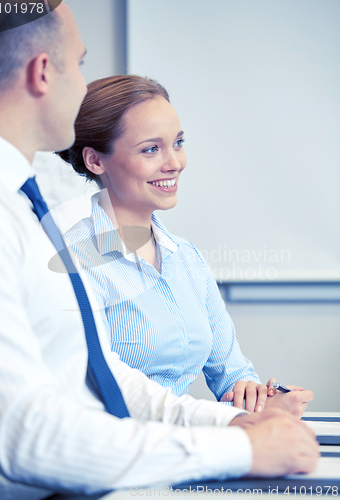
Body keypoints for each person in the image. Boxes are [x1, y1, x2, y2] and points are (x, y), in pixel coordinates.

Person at [0, 2, 319, 499]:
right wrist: (241, 447)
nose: (174, 162)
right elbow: (28, 431)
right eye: (79, 64)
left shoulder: (20, 210)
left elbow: (102, 375)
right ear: (43, 72)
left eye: (177, 142)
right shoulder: (23, 226)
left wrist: (237, 420)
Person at [60, 75, 313, 416]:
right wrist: (226, 420)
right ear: (95, 161)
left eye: (178, 143)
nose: (175, 163)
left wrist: (257, 398)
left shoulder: (187, 258)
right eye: (151, 149)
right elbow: (107, 397)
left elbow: (233, 377)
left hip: (190, 445)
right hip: (119, 451)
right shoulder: (73, 263)